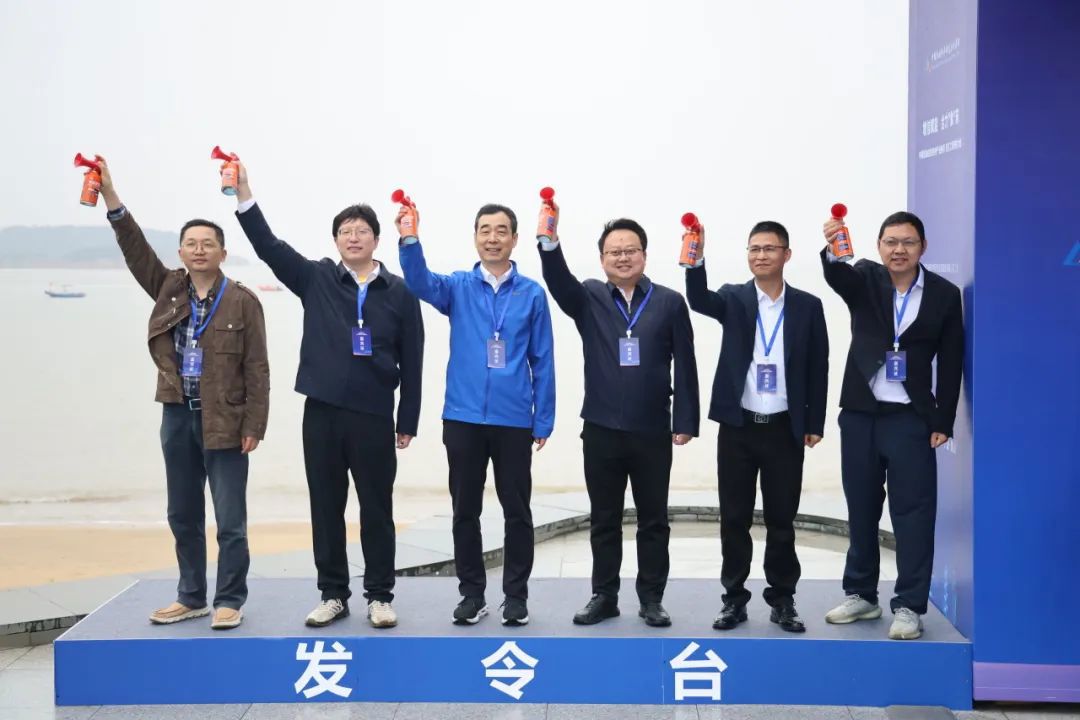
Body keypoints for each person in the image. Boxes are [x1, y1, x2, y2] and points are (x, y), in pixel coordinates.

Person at [232, 162, 424, 629]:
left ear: (376, 239)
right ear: (335, 240)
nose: (353, 238)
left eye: (362, 231)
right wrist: (244, 194)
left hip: (373, 415)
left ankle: (380, 596)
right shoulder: (316, 278)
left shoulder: (399, 293)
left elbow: (414, 359)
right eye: (345, 232)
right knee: (326, 506)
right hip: (321, 412)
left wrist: (407, 421)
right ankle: (333, 594)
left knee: (377, 508)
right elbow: (269, 247)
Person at [98, 155, 269, 630]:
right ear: (180, 252)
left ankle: (229, 598)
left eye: (207, 244)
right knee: (183, 514)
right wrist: (110, 195)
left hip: (226, 421)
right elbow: (135, 249)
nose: (199, 250)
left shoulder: (243, 301)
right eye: (191, 244)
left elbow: (258, 369)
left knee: (230, 519)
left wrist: (254, 425)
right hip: (176, 415)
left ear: (222, 253)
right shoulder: (168, 288)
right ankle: (191, 595)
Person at [538, 205, 699, 628]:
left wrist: (685, 420)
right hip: (601, 430)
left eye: (630, 250)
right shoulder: (589, 297)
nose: (623, 258)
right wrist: (549, 242)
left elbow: (686, 363)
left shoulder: (669, 302)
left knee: (654, 520)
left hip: (651, 431)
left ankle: (651, 599)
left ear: (644, 254)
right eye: (614, 252)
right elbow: (558, 282)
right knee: (604, 520)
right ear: (602, 259)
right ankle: (604, 596)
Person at [398, 202, 555, 627]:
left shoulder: (531, 294)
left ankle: (516, 597)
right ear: (475, 237)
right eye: (485, 230)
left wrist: (543, 418)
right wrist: (410, 239)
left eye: (501, 230)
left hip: (513, 420)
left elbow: (543, 359)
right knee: (464, 511)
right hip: (463, 418)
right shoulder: (458, 287)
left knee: (517, 512)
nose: (492, 238)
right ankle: (472, 594)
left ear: (515, 239)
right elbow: (419, 281)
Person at [820, 211, 963, 640]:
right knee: (861, 508)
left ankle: (909, 605)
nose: (899, 250)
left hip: (910, 420)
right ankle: (861, 594)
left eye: (908, 242)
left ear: (923, 247)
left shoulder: (944, 294)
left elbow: (951, 360)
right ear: (879, 246)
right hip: (860, 415)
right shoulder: (865, 278)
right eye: (891, 242)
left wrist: (942, 419)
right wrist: (832, 247)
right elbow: (837, 276)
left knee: (913, 515)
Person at [685, 221, 828, 633]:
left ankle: (783, 600)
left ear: (787, 254)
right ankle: (733, 599)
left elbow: (818, 366)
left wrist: (814, 421)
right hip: (739, 428)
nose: (761, 255)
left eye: (769, 248)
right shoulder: (734, 298)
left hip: (785, 429)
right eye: (754, 249)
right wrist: (695, 258)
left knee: (782, 521)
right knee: (734, 519)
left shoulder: (808, 306)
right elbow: (698, 299)